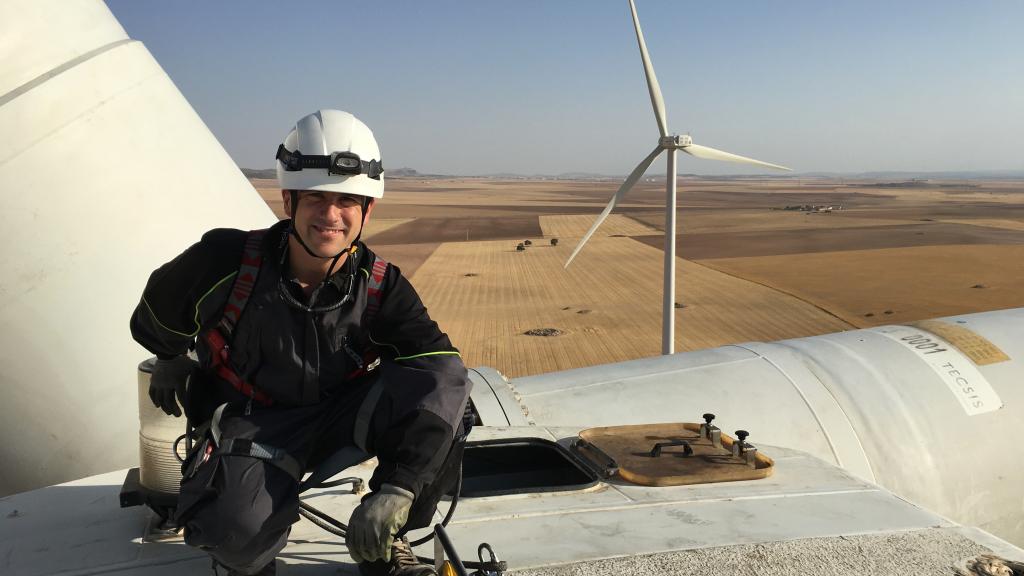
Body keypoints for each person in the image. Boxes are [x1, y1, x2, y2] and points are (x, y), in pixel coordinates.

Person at [130, 109, 471, 576]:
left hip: (335, 418)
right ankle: (246, 543)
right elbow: (155, 314)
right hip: (252, 423)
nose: (331, 215)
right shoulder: (226, 262)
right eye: (316, 198)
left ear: (367, 208)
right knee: (236, 536)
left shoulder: (379, 285)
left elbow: (439, 367)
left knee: (447, 405)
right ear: (289, 200)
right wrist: (172, 357)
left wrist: (400, 488)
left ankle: (385, 542)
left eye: (348, 200)